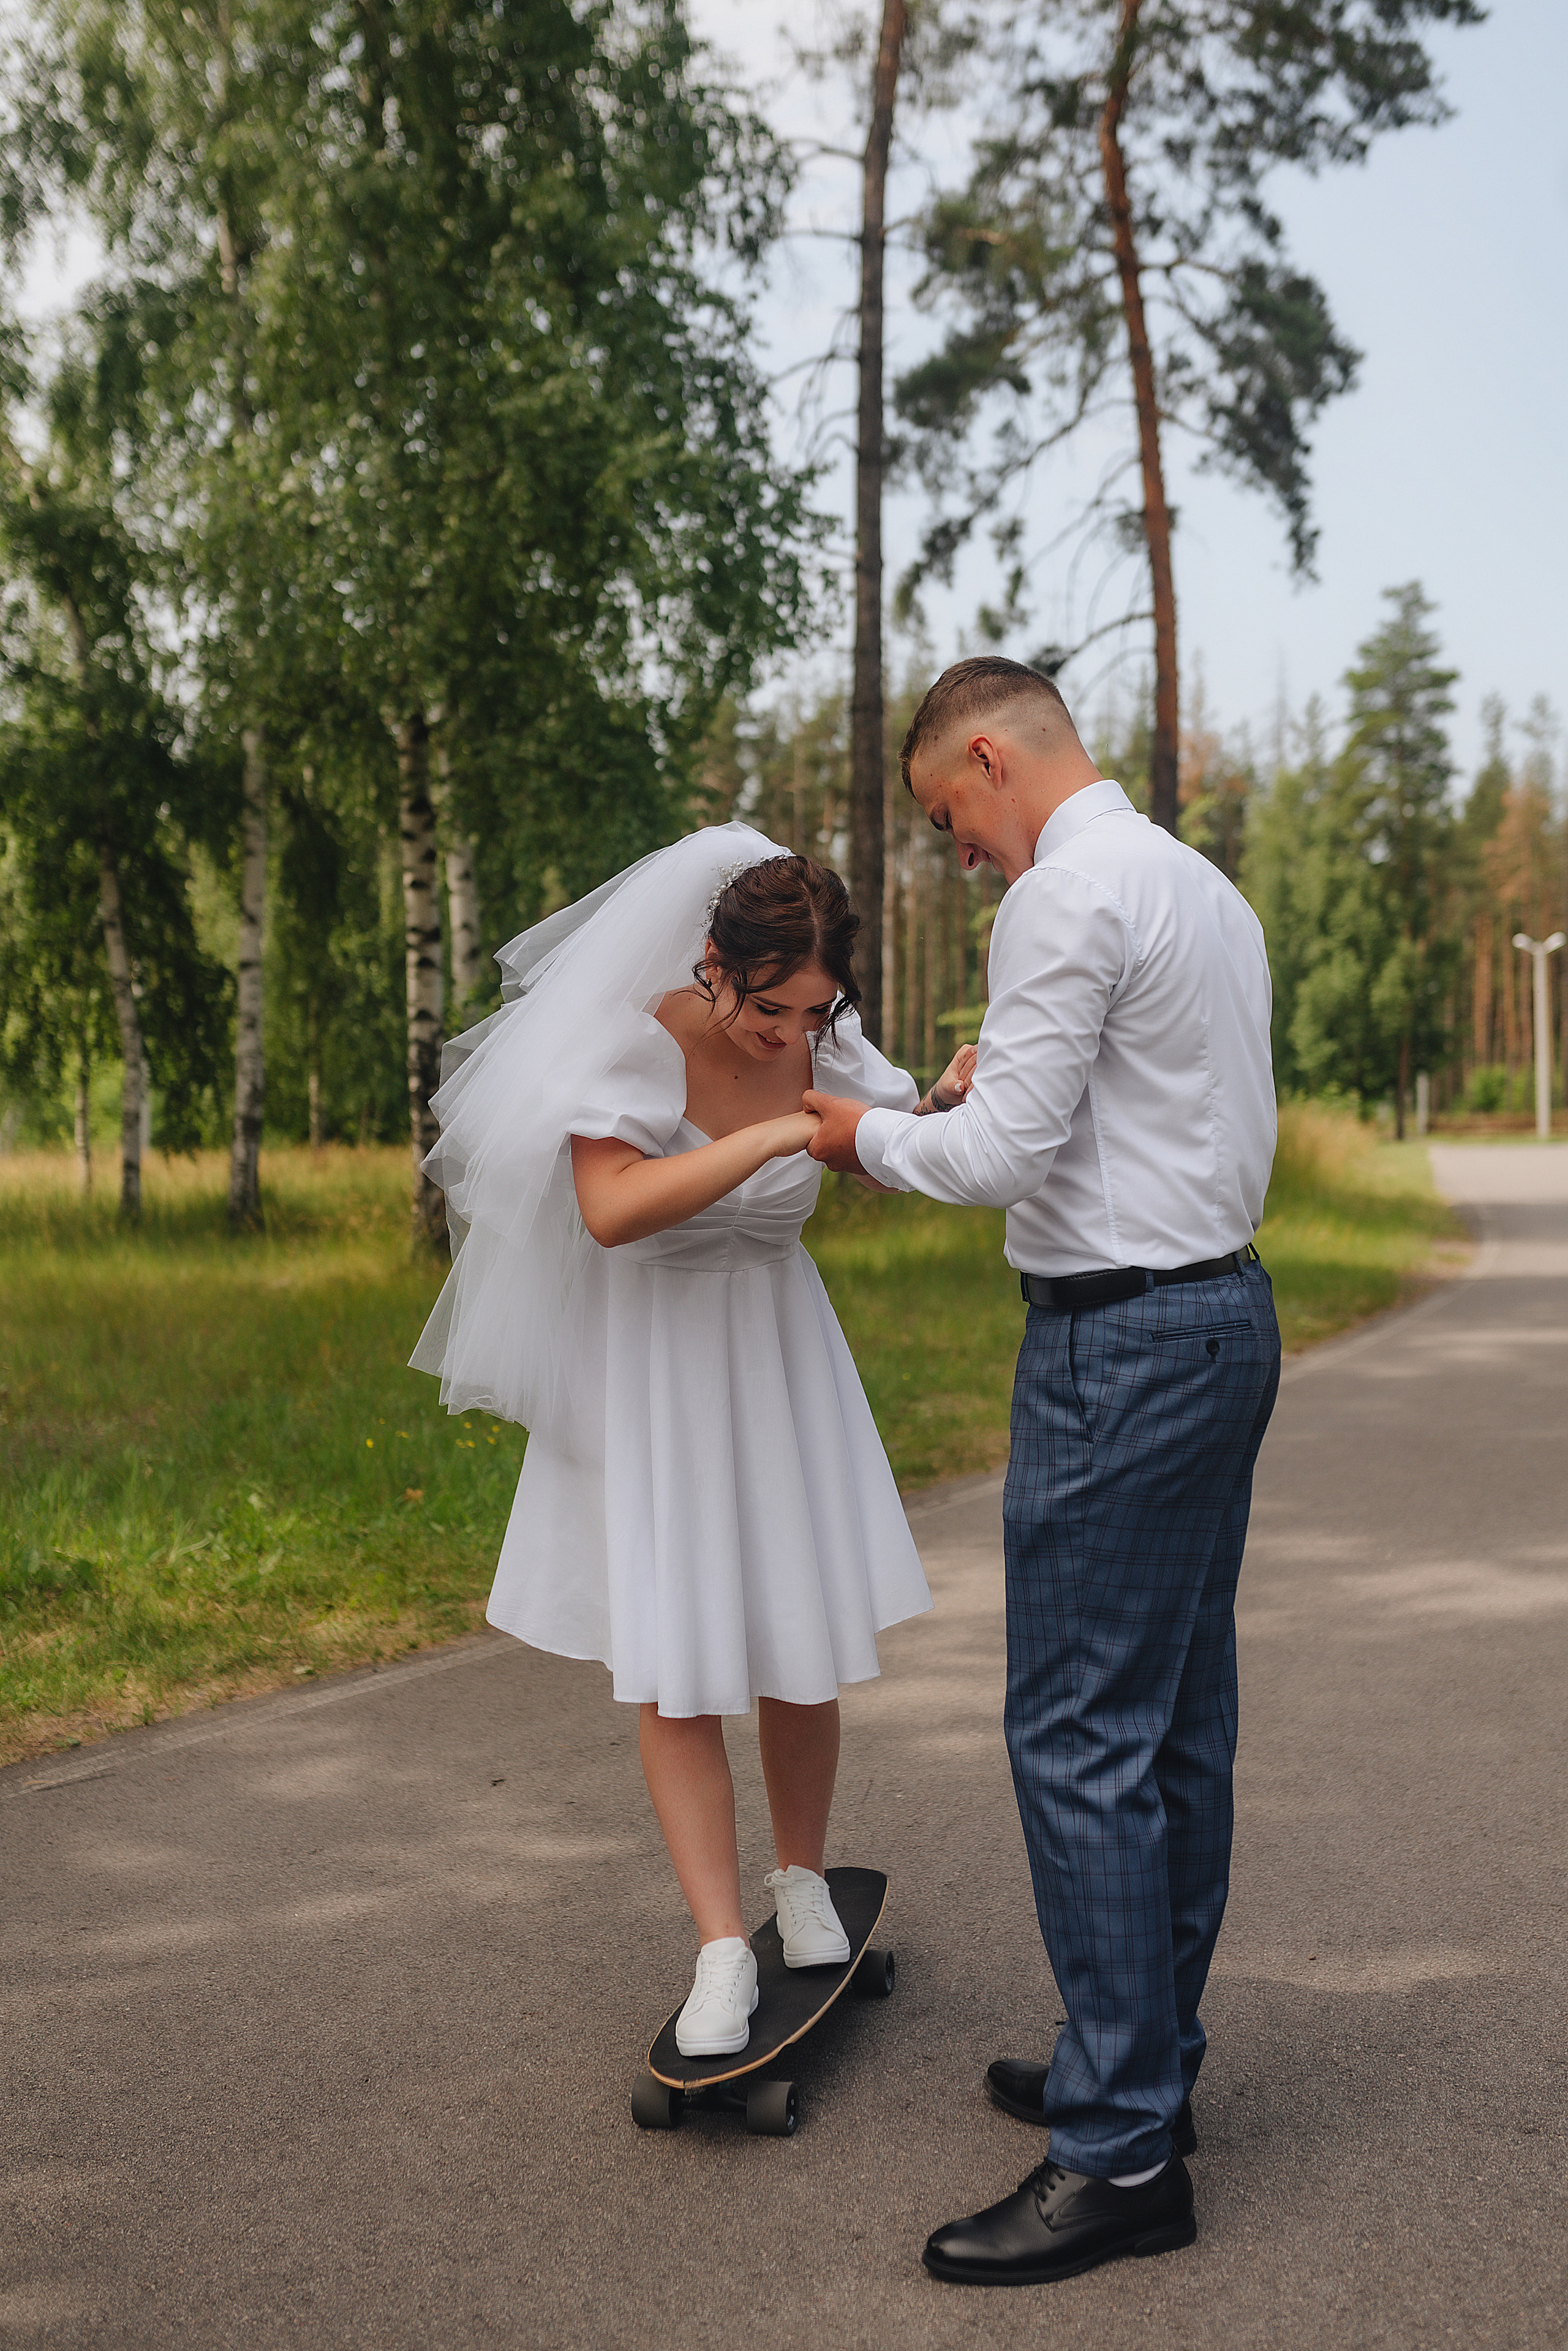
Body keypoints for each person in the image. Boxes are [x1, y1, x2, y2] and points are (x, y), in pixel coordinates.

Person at [804, 658, 1281, 2287]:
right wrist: (978, 1086)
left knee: (1081, 1728)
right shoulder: (1200, 887)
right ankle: (1138, 2056)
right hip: (1224, 1313)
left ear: (993, 758)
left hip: (1121, 1349)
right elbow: (1128, 1116)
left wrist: (850, 1131)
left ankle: (1123, 2146)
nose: (968, 854)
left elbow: (1002, 1159)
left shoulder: (1066, 894)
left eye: (955, 819)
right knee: (1175, 1717)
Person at [411, 825, 974, 2059]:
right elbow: (611, 1210)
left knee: (797, 1628)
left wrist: (939, 1102)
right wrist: (767, 1136)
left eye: (813, 1011)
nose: (787, 1037)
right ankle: (721, 1943)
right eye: (767, 1007)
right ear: (713, 964)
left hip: (777, 1346)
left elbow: (879, 1147)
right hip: (655, 1362)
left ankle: (800, 1880)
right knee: (674, 1654)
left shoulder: (821, 1036)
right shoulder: (632, 1036)